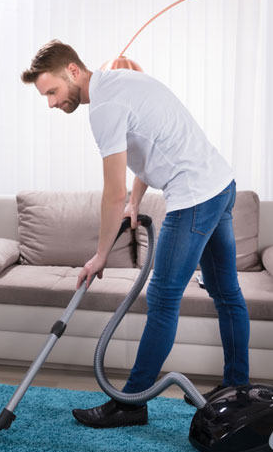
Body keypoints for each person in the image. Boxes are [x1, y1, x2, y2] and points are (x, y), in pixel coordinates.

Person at [21, 40, 250, 428]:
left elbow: (111, 191)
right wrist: (134, 201)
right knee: (226, 292)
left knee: (162, 298)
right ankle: (237, 389)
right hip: (220, 184)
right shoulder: (120, 82)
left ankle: (131, 403)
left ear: (73, 71)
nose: (51, 103)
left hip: (194, 195)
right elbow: (147, 147)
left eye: (53, 92)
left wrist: (99, 256)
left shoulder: (105, 108)